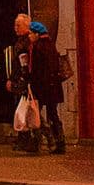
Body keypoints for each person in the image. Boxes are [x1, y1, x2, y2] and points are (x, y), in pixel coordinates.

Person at [28, 21, 65, 155]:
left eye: (31, 33)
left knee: (35, 113)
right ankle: (60, 142)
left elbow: (36, 70)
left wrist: (32, 85)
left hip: (41, 86)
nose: (29, 36)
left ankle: (40, 141)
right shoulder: (51, 45)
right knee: (53, 114)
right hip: (53, 85)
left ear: (37, 34)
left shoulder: (36, 47)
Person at [7, 12, 36, 154]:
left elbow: (22, 65)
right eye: (15, 25)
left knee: (24, 110)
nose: (15, 28)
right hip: (22, 80)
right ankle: (24, 139)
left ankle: (28, 140)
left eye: (18, 25)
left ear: (26, 26)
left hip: (23, 81)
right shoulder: (24, 41)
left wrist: (17, 80)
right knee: (23, 110)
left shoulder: (24, 43)